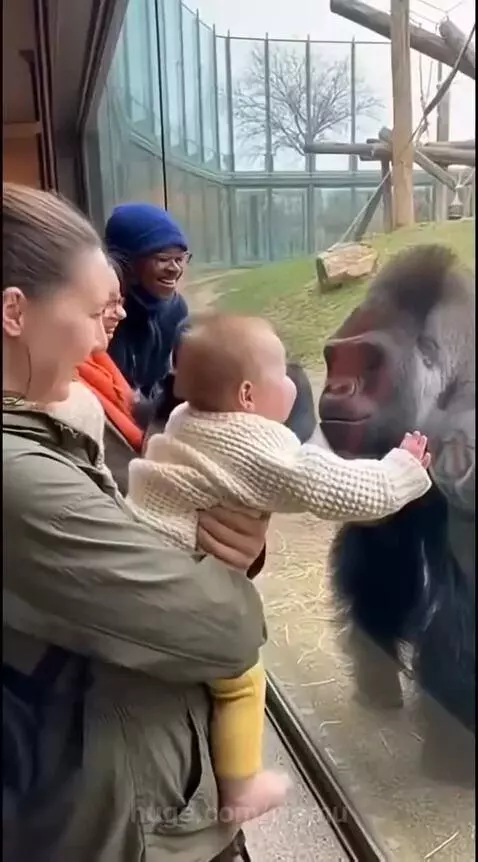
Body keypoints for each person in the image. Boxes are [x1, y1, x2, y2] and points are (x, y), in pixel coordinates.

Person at [3, 183, 268, 862]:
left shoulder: (52, 415)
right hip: (117, 827)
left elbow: (145, 521)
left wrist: (225, 538)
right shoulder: (19, 473)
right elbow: (224, 631)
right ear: (13, 312)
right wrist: (227, 570)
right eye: (93, 313)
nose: (103, 335)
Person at [121, 313, 432, 826]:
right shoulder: (258, 445)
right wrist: (404, 471)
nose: (298, 383)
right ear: (247, 396)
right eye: (286, 374)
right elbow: (339, 489)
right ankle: (241, 785)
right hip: (178, 593)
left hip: (143, 563)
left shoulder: (183, 420)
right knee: (241, 677)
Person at [105, 201, 190, 399]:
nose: (174, 269)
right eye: (162, 259)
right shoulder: (105, 317)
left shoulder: (176, 310)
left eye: (179, 259)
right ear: (126, 263)